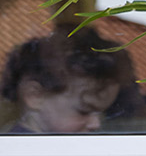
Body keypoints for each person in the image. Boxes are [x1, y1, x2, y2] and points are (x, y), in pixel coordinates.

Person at [1, 25, 132, 133]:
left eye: (102, 113)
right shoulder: (21, 153)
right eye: (83, 111)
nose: (96, 124)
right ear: (35, 95)